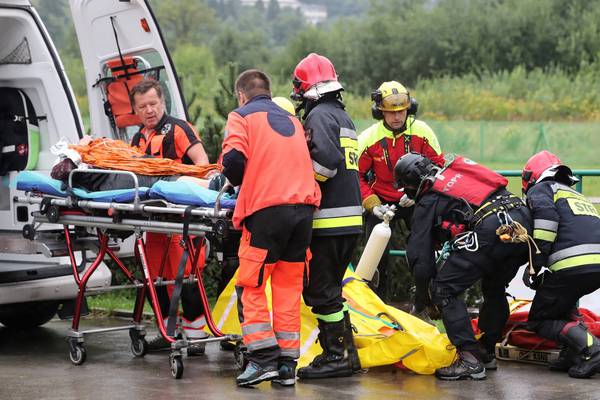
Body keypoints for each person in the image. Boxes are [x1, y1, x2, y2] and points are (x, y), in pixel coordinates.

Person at [221, 69, 320, 387]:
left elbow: (233, 162)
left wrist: (238, 180)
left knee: (250, 285)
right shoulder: (292, 120)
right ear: (268, 91)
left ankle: (262, 361)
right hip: (303, 213)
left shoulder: (241, 116)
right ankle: (286, 366)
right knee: (288, 287)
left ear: (241, 94)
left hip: (267, 211)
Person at [394, 152, 532, 381]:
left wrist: (423, 298)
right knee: (494, 287)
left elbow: (420, 258)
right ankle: (487, 351)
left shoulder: (428, 199)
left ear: (411, 185)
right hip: (520, 221)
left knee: (444, 289)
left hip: (492, 228)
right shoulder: (457, 175)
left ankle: (470, 358)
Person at [290, 53, 363, 379]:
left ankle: (338, 356)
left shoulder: (318, 116)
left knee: (319, 292)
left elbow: (326, 163)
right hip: (348, 221)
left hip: (328, 221)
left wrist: (301, 182)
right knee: (331, 290)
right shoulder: (342, 116)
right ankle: (343, 354)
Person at [128, 79, 211, 354]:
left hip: (181, 218)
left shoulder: (179, 129)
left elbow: (203, 165)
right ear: (136, 110)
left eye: (153, 103)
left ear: (162, 102)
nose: (149, 110)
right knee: (154, 276)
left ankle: (196, 335)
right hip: (153, 220)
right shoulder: (139, 138)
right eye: (143, 106)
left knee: (185, 275)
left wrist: (178, 181)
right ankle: (168, 331)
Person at [357, 81, 443, 301]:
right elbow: (355, 176)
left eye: (402, 111)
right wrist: (373, 205)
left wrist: (417, 195)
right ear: (380, 112)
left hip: (415, 199)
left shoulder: (423, 132)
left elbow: (438, 168)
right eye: (390, 112)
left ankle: (424, 302)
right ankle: (378, 305)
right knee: (376, 258)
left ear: (409, 109)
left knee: (422, 252)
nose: (397, 117)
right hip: (381, 201)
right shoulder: (367, 138)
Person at [521, 150, 600, 379]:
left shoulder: (541, 190)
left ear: (532, 176)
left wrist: (535, 262)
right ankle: (573, 353)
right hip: (594, 265)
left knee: (540, 319)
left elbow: (546, 221)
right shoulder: (575, 195)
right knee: (561, 304)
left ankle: (592, 349)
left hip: (572, 265)